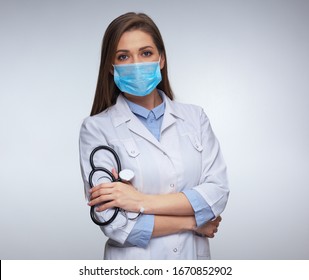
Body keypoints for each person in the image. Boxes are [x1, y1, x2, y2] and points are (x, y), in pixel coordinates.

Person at [79, 12, 229, 260]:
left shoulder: (195, 118)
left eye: (146, 53)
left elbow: (217, 194)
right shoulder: (96, 129)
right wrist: (193, 222)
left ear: (161, 59)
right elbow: (114, 222)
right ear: (111, 66)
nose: (136, 63)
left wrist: (138, 200)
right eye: (124, 56)